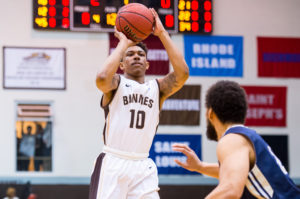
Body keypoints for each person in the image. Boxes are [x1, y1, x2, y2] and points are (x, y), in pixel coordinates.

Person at [89, 8, 189, 199]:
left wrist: (162, 34)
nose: (136, 56)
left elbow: (182, 74)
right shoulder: (116, 84)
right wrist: (123, 43)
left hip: (143, 165)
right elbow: (102, 77)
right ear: (122, 64)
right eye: (130, 54)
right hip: (113, 162)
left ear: (147, 63)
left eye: (140, 54)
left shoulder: (157, 89)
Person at [172, 80, 300, 199]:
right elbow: (237, 172)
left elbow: (231, 189)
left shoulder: (232, 139)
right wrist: (200, 167)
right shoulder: (244, 136)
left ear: (210, 113)